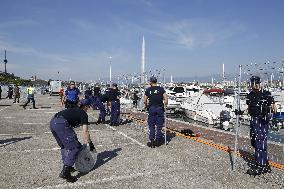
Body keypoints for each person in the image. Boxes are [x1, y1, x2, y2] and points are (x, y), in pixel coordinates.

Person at [50, 99, 95, 183]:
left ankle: (68, 166)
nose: (88, 108)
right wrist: (90, 144)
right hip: (61, 124)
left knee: (64, 146)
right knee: (74, 148)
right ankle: (65, 172)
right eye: (88, 106)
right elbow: (85, 131)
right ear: (85, 106)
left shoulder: (74, 109)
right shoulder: (83, 114)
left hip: (53, 122)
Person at [245, 76, 276, 176]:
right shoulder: (249, 95)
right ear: (251, 84)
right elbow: (248, 108)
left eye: (257, 82)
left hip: (262, 120)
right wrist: (240, 112)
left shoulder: (266, 94)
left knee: (260, 142)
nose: (255, 85)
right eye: (253, 83)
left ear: (260, 83)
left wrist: (267, 110)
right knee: (254, 141)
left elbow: (274, 109)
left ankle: (260, 166)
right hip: (253, 119)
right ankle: (265, 162)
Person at [144, 76, 168, 148]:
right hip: (160, 108)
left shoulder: (148, 90)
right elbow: (166, 99)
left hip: (152, 108)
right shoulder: (161, 89)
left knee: (151, 125)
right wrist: (165, 105)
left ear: (151, 82)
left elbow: (144, 100)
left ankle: (152, 141)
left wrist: (146, 106)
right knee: (159, 125)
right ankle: (158, 140)